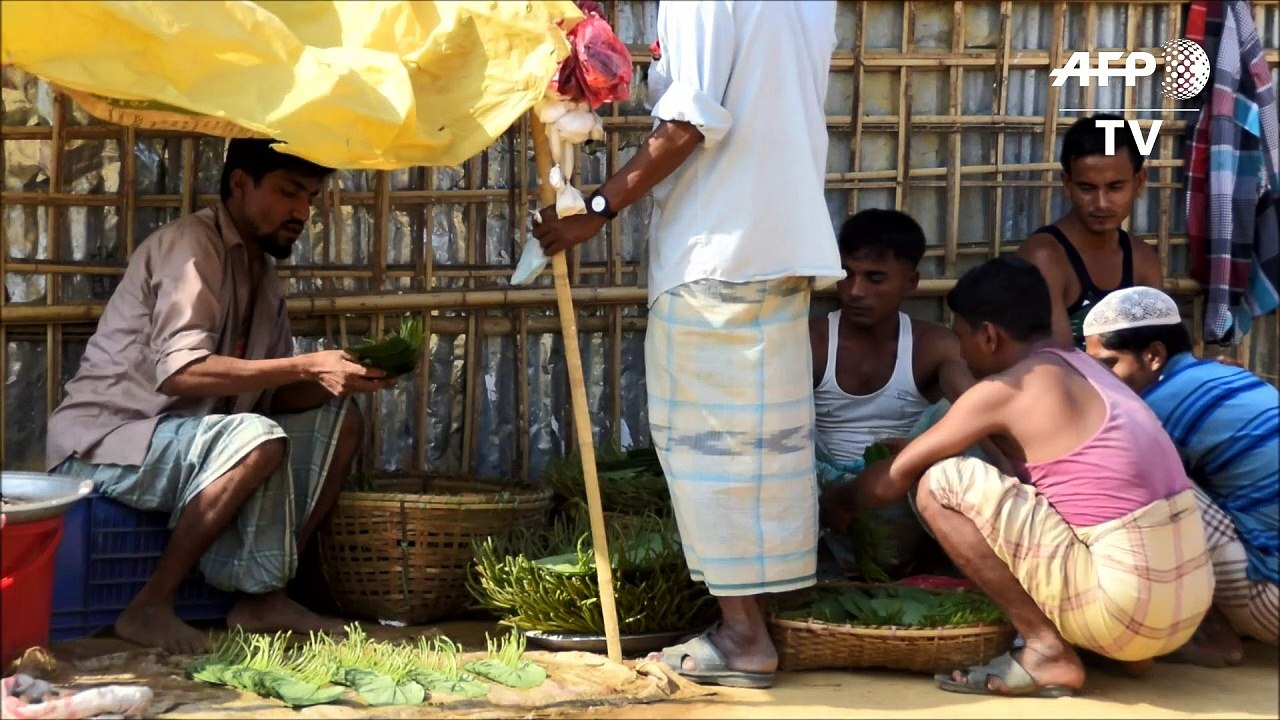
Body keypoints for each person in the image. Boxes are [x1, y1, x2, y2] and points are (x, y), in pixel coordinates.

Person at [532, 0, 843, 689]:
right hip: (781, 241)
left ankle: (743, 635)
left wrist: (598, 209)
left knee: (708, 445)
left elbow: (690, 121)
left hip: (716, 247)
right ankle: (751, 622)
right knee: (763, 449)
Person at [46, 138, 395, 655]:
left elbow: (267, 392)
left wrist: (336, 376)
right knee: (256, 439)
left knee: (340, 420)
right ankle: (148, 606)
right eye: (288, 192)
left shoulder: (263, 275)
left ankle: (266, 596)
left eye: (311, 199)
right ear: (239, 184)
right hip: (108, 444)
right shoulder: (190, 247)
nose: (301, 211)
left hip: (190, 441)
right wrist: (304, 363)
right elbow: (181, 374)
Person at [849, 257, 1212, 697]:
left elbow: (891, 481)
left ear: (988, 335)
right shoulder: (1091, 370)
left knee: (940, 484)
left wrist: (832, 506)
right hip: (1186, 612)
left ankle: (1046, 651)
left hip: (1121, 615)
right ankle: (1133, 656)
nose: (960, 353)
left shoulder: (1005, 390)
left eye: (961, 337)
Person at [1083, 286, 1278, 666]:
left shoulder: (1155, 408)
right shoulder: (1233, 379)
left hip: (1271, 601)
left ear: (1153, 355)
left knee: (1138, 474)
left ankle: (1207, 634)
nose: (1100, 381)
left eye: (1107, 366)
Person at [811, 209, 993, 571]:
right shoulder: (812, 340)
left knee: (968, 413)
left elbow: (981, 411)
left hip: (901, 503)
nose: (855, 291)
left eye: (875, 278)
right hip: (820, 508)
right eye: (847, 276)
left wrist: (927, 449)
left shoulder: (934, 345)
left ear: (910, 283)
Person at [1017, 113, 1163, 349]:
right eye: (1087, 188)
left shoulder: (1142, 258)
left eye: (1115, 187)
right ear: (1067, 184)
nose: (1102, 203)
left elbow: (1163, 348)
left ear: (1139, 183)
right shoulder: (1046, 258)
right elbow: (1054, 361)